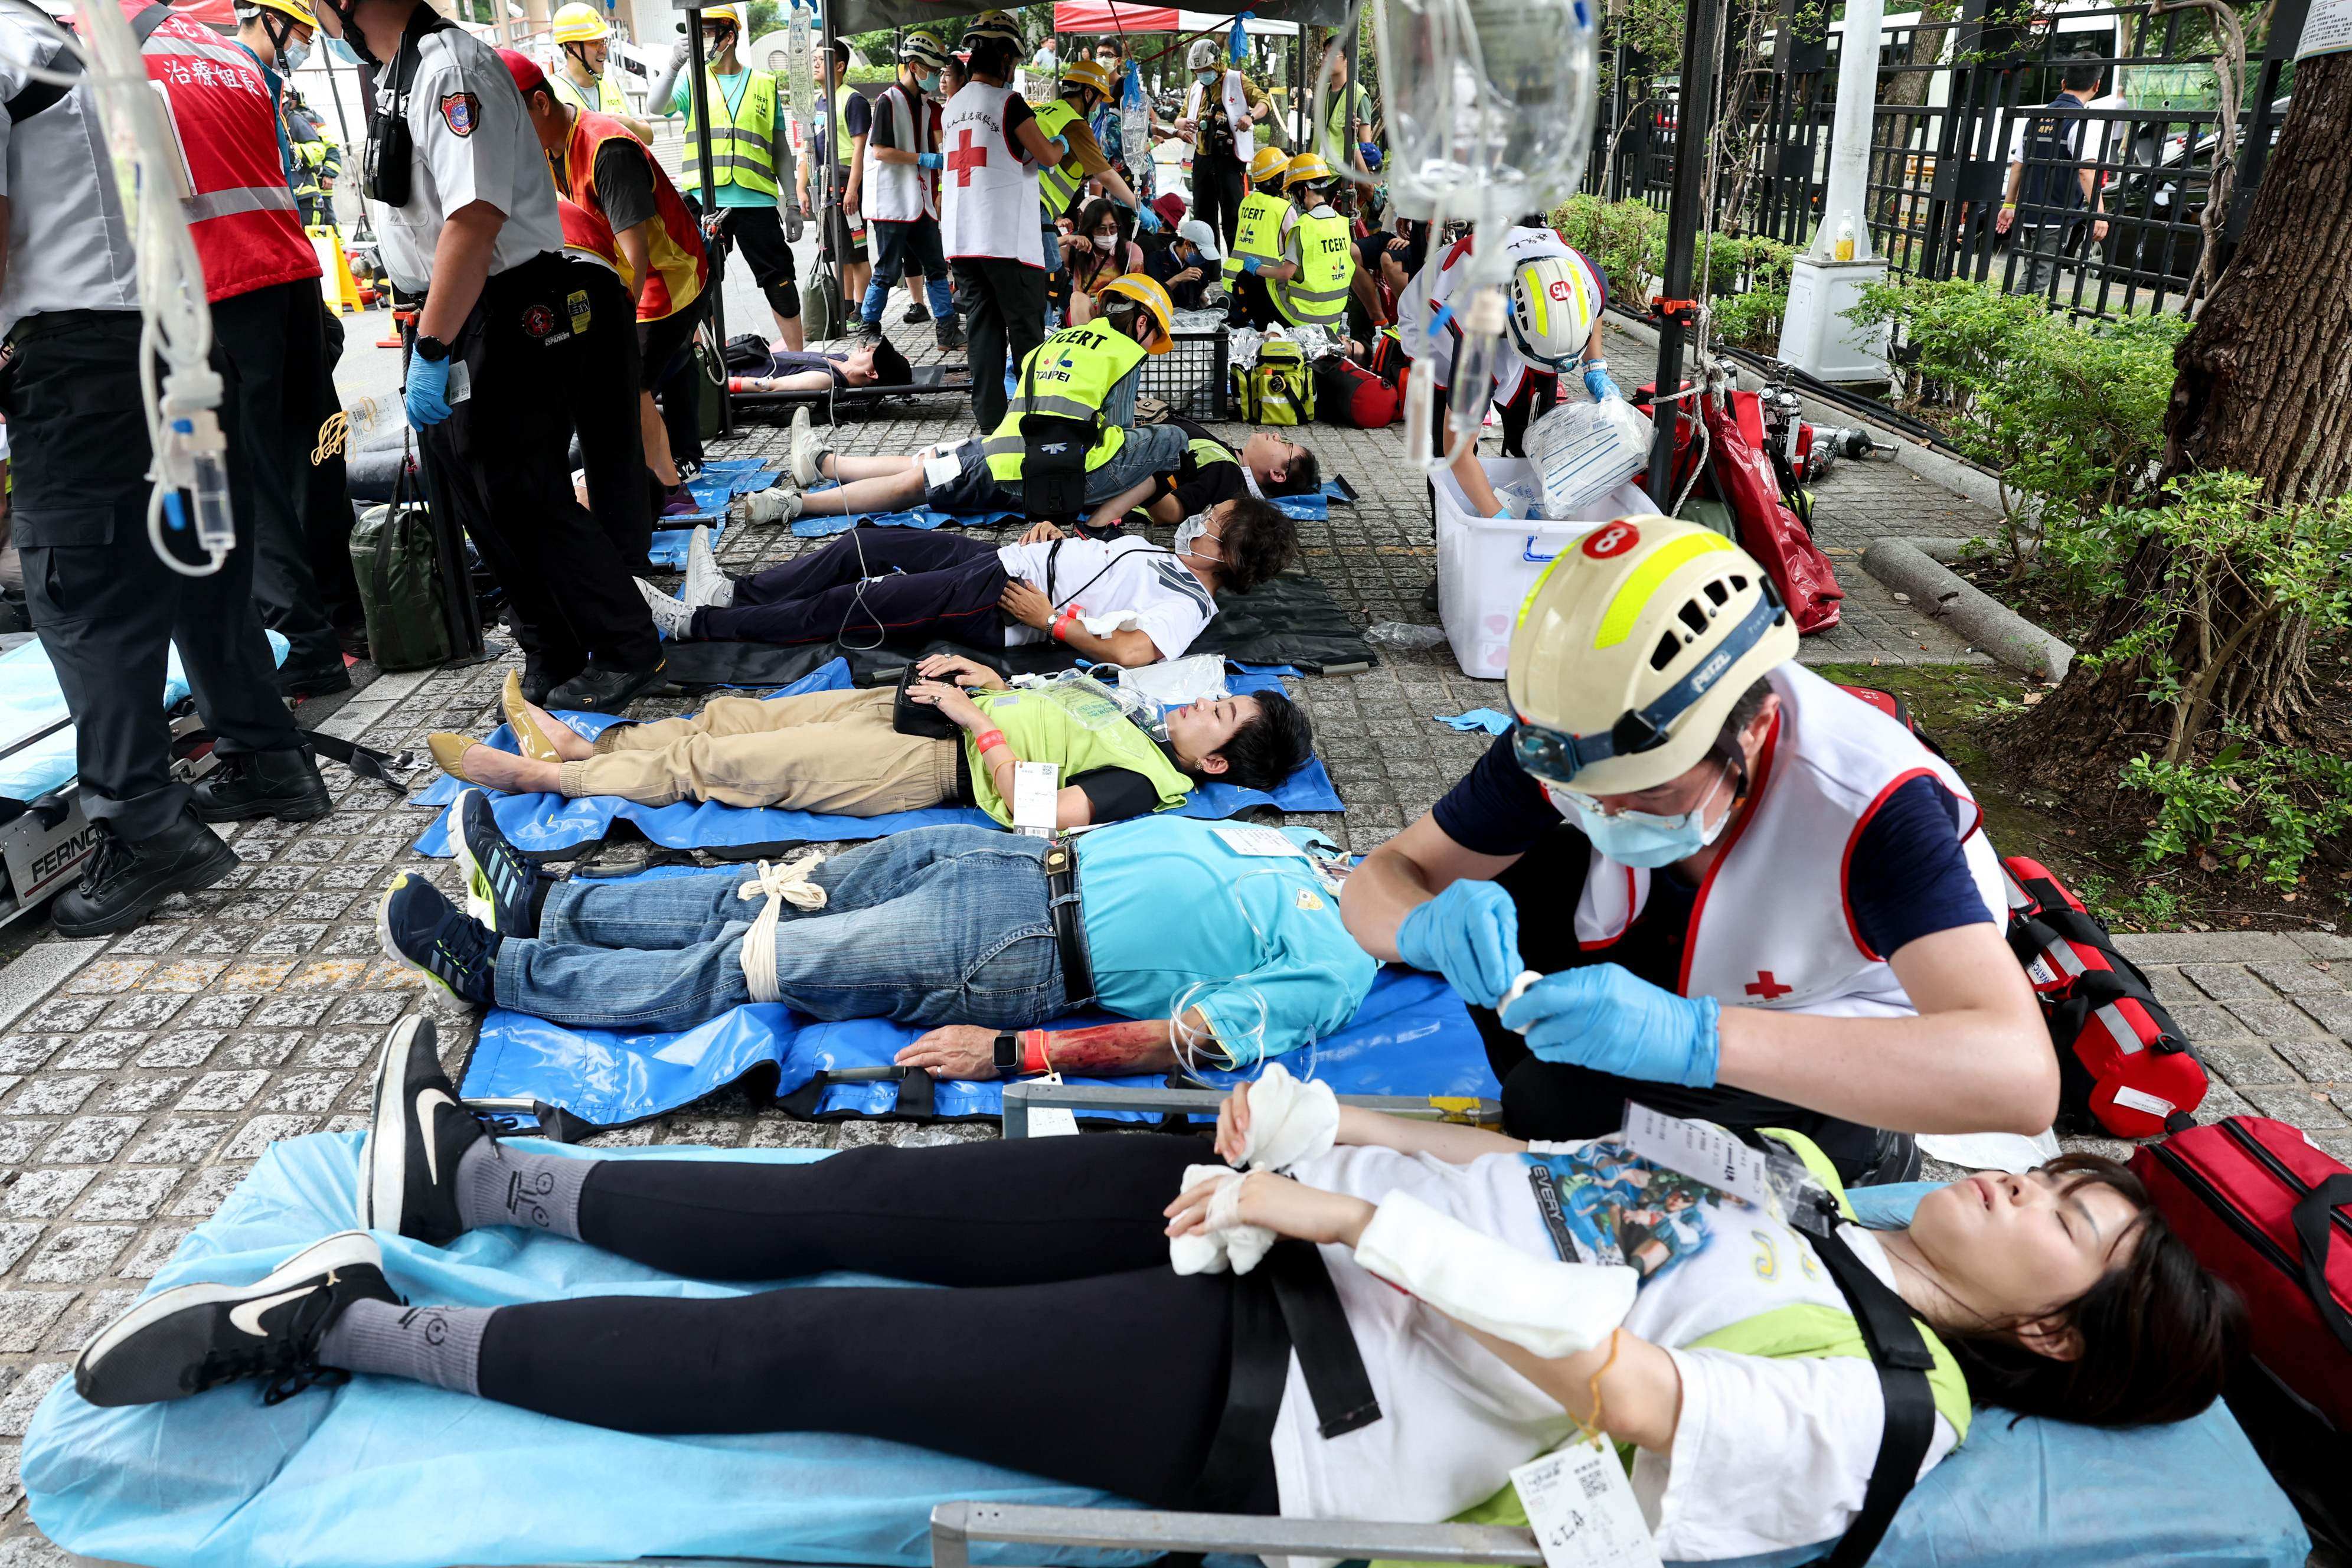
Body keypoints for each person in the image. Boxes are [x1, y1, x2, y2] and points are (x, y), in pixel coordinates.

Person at [83, 1018, 2242, 1568]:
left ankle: (346, 1321)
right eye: (2070, 1177)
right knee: (889, 1193)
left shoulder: (1869, 1407)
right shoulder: (1820, 1195)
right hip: (1293, 1230)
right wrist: (1333, 1141)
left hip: (1292, 1388)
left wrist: (1351, 1232)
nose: (2041, 1183)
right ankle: (485, 1166)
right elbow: (1563, 1177)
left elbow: (1613, 1375)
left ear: (2050, 1331)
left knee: (826, 1345)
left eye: (2075, 1220)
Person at [1340, 520, 2060, 1186]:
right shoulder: (1574, 731)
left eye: (1647, 791)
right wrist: (1421, 926)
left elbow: (2020, 1078)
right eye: (1583, 790)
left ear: (1755, 727)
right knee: (1520, 906)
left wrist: (1693, 1039)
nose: (1606, 810)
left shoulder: (1873, 808)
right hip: (1700, 952)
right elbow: (1380, 881)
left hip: (1833, 1019)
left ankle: (1863, 1146)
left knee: (1555, 1106)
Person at [0, 0, 335, 934]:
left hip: (82, 364)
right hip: (177, 343)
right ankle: (266, 753)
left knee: (84, 592)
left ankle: (143, 826)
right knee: (196, 564)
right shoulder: (78, 45)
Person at [322, 0, 667, 710]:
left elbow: (474, 219)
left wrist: (436, 345)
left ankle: (628, 645)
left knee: (522, 491)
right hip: (448, 307)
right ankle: (553, 647)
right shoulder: (399, 72)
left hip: (502, 305)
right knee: (478, 495)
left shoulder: (450, 70)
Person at [430, 646, 1313, 827]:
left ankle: (546, 780)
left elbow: (1045, 812)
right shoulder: (1132, 723)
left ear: (1218, 762)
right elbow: (1046, 710)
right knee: (732, 716)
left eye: (1218, 714)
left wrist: (976, 724)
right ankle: (595, 746)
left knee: (730, 763)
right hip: (919, 711)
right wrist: (990, 682)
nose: (1201, 702)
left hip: (928, 760)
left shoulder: (1149, 782)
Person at [642, 491, 1292, 664]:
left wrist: (1049, 620)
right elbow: (1106, 576)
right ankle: (730, 593)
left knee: (852, 604)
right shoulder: (1173, 564)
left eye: (1213, 522)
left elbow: (1130, 650)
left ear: (1227, 558)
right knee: (864, 543)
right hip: (1006, 560)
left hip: (998, 601)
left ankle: (695, 625)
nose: (1199, 520)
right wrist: (1063, 541)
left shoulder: (1189, 606)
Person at [505, 48, 710, 525]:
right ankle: (666, 470)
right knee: (634, 377)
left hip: (669, 277)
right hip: (627, 280)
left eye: (514, 123)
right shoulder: (550, 148)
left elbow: (634, 248)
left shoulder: (605, 149)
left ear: (540, 104)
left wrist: (618, 317)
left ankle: (670, 489)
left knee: (628, 381)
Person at [222, 0, 352, 698]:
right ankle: (325, 612)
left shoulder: (258, 80)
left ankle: (329, 612)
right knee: (298, 455)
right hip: (274, 278)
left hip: (279, 275)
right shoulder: (238, 70)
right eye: (301, 33)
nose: (305, 44)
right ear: (267, 20)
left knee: (312, 453)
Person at [1400, 220, 1613, 609]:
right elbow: (1456, 452)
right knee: (1444, 451)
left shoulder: (1579, 275)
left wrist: (1595, 367)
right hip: (1435, 328)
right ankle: (1451, 562)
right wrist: (1500, 528)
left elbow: (1596, 303)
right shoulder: (1476, 332)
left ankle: (1536, 541)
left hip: (1527, 325)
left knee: (1533, 435)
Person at [647, 4, 803, 351]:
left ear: (728, 36)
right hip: (704, 202)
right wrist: (673, 65)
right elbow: (655, 108)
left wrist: (791, 202)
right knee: (699, 285)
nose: (698, 41)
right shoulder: (692, 80)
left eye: (705, 33)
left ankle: (800, 361)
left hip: (756, 203)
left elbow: (780, 148)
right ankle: (712, 364)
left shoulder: (764, 84)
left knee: (780, 282)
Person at [941, 11, 1071, 430]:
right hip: (1005, 242)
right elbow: (1049, 156)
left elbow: (994, 155)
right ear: (1003, 58)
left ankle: (991, 429)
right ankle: (1038, 429)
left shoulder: (952, 107)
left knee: (983, 332)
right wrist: (1061, 140)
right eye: (1013, 61)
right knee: (1027, 333)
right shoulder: (1009, 103)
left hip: (962, 242)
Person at [857, 30, 961, 350]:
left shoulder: (926, 106)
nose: (935, 76)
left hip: (922, 201)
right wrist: (924, 158)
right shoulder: (889, 101)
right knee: (887, 269)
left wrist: (938, 178)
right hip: (893, 202)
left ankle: (947, 329)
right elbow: (880, 151)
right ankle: (868, 328)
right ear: (914, 66)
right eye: (931, 69)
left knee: (935, 266)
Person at [1033, 60, 1160, 300]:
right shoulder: (1075, 123)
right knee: (1051, 280)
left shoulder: (1044, 112)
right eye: (1100, 99)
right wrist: (1138, 207)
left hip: (1022, 205)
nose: (1100, 106)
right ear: (1088, 93)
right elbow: (1107, 175)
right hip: (1034, 207)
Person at [1229, 153, 1384, 333]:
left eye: (1294, 193)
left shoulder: (1303, 227)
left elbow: (1286, 273)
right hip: (1333, 317)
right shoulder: (1342, 223)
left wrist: (1257, 269)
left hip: (1303, 317)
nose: (1294, 198)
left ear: (1303, 190)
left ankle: (1265, 330)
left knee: (1249, 280)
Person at [1997, 60, 2109, 299]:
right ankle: (2005, 327)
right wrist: (2099, 214)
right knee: (2037, 277)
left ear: (2063, 83)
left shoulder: (2037, 118)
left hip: (2029, 210)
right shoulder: (2079, 120)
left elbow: (2019, 164)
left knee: (2033, 271)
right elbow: (2086, 171)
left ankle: (2016, 325)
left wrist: (2009, 204)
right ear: (2097, 85)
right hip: (2056, 214)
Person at [1175, 35, 1273, 248]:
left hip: (1229, 160)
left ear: (1217, 62)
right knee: (1202, 216)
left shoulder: (1236, 80)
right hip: (1201, 158)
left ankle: (1236, 268)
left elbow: (1264, 101)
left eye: (1206, 70)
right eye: (1198, 72)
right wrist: (1182, 123)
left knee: (1233, 216)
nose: (1203, 75)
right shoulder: (1195, 89)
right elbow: (1179, 117)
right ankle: (1208, 271)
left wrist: (1251, 116)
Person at [802, 38, 872, 318]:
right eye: (814, 58)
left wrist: (853, 189)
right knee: (836, 251)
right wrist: (802, 188)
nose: (815, 63)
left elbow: (860, 150)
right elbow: (807, 147)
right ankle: (844, 307)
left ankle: (861, 309)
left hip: (844, 181)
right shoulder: (817, 102)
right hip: (823, 183)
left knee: (856, 250)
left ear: (840, 66)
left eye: (822, 59)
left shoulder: (852, 100)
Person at [547, 2, 653, 144]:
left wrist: (628, 124)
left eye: (604, 41)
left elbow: (648, 137)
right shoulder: (551, 91)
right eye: (594, 43)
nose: (603, 49)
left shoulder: (612, 83)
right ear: (570, 48)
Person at [1221, 145, 1292, 325]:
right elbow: (1296, 245)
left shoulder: (1247, 202)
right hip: (1263, 285)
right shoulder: (1283, 208)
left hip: (1232, 280)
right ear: (1276, 179)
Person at [725, 334, 911, 394]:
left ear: (872, 374)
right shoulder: (842, 360)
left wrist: (725, 384)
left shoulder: (826, 379)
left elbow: (770, 386)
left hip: (728, 373)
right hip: (737, 358)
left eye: (872, 353)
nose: (867, 348)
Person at [1063, 198, 1144, 324]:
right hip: (1085, 313)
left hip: (1117, 315)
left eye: (1113, 228)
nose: (1108, 234)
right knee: (1077, 298)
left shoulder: (1131, 250)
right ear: (1090, 229)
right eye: (1101, 229)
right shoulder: (1078, 250)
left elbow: (1138, 293)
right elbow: (1042, 250)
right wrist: (1067, 239)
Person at [1318, 39, 1374, 190]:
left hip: (1342, 177)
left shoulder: (1359, 94)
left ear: (1346, 60)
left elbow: (1365, 144)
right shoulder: (1322, 92)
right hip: (1318, 172)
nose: (1325, 60)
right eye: (1324, 55)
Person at [1148, 217, 1220, 310]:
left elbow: (1202, 295)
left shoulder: (1200, 264)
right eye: (1200, 253)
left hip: (1191, 318)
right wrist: (1177, 279)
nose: (1202, 258)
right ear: (1187, 244)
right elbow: (1153, 295)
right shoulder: (1156, 259)